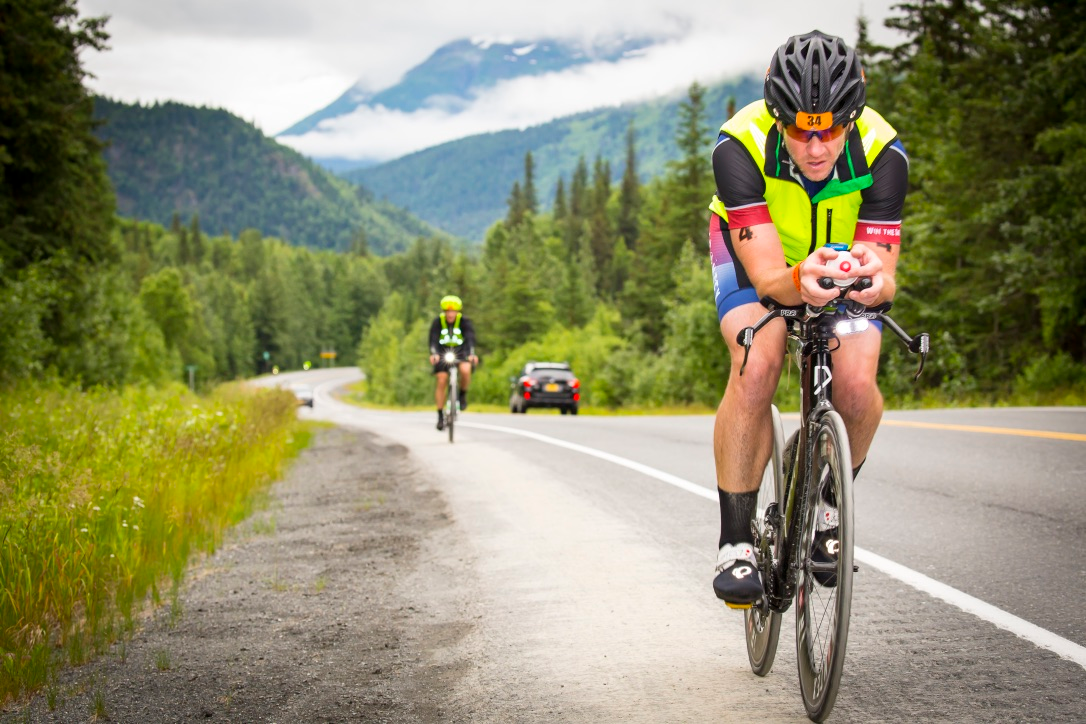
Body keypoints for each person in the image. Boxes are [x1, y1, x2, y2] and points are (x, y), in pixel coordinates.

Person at [707, 30, 908, 607]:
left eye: (830, 130)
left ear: (853, 118)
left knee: (857, 378)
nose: (816, 147)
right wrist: (797, 282)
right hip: (758, 256)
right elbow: (771, 279)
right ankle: (736, 541)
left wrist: (873, 282)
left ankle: (825, 504)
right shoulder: (739, 146)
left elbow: (884, 270)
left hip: (838, 260)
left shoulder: (883, 151)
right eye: (798, 129)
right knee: (758, 357)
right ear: (777, 117)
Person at [428, 295, 478, 431]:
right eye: (447, 311)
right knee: (441, 380)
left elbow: (470, 339)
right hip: (442, 355)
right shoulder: (438, 322)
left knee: (466, 370)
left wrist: (472, 354)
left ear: (458, 311)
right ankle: (440, 415)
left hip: (461, 353)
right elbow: (433, 340)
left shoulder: (465, 322)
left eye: (453, 311)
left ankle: (462, 395)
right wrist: (433, 354)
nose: (450, 314)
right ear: (444, 311)